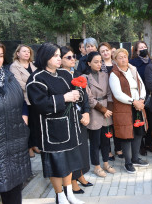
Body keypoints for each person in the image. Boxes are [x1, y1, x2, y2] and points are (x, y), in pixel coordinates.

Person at [26, 42, 86, 204]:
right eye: (56, 56)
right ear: (45, 57)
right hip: (52, 131)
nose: (59, 59)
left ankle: (69, 194)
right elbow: (40, 104)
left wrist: (78, 94)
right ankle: (59, 196)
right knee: (57, 164)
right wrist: (64, 98)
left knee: (69, 163)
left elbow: (79, 90)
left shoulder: (64, 74)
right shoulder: (36, 79)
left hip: (70, 127)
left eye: (60, 55)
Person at [0, 42, 31, 204]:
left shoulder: (8, 77)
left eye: (1, 55)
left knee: (13, 194)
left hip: (14, 146)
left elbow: (22, 102)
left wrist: (24, 118)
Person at [109, 48, 149, 174]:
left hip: (138, 105)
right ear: (115, 60)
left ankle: (135, 158)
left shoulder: (133, 70)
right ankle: (128, 162)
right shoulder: (114, 74)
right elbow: (117, 94)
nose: (123, 59)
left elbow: (141, 85)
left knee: (138, 132)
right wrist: (134, 101)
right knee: (126, 135)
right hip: (124, 108)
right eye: (119, 57)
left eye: (125, 56)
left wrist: (141, 99)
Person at [60, 46, 93, 194]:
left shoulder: (78, 74)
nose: (73, 59)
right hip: (70, 119)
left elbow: (84, 96)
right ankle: (72, 181)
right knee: (73, 150)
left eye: (73, 56)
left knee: (82, 149)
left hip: (82, 117)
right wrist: (79, 116)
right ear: (60, 60)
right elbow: (65, 102)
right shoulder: (59, 78)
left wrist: (86, 113)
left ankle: (80, 175)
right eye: (68, 57)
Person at [84, 51, 116, 177]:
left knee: (106, 140)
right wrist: (103, 110)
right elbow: (89, 98)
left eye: (100, 61)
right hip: (94, 111)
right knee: (95, 141)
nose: (99, 64)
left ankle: (106, 163)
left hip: (106, 110)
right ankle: (96, 166)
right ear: (89, 63)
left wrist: (108, 109)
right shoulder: (85, 77)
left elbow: (109, 93)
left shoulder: (105, 75)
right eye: (95, 62)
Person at [9, 44, 39, 157]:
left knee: (35, 123)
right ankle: (28, 147)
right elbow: (18, 83)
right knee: (26, 125)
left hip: (36, 98)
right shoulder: (14, 67)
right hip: (24, 99)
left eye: (28, 51)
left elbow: (40, 78)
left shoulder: (33, 64)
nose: (27, 53)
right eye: (24, 51)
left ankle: (35, 144)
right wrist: (35, 86)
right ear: (18, 53)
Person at [130, 41, 152, 155]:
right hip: (139, 96)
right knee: (140, 120)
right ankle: (140, 146)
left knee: (151, 121)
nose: (143, 49)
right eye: (140, 48)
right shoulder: (132, 63)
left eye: (145, 47)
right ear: (136, 51)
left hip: (151, 95)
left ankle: (149, 144)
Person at [98, 42, 120, 161]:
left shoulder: (116, 63)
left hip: (118, 99)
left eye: (107, 50)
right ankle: (108, 151)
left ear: (111, 50)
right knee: (107, 126)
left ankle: (118, 148)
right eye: (102, 51)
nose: (105, 53)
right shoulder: (98, 66)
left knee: (117, 124)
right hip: (105, 100)